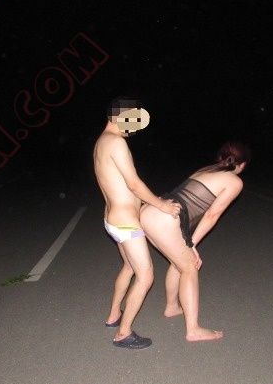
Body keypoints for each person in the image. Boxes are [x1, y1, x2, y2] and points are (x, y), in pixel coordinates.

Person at [93, 96, 181, 349]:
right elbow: (133, 183)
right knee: (146, 275)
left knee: (129, 268)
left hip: (113, 220)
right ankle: (123, 333)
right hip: (126, 224)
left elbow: (120, 185)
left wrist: (147, 202)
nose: (134, 128)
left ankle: (113, 315)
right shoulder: (116, 142)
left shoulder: (101, 142)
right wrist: (161, 205)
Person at [139, 141, 250, 342]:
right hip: (165, 218)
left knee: (178, 262)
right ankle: (193, 329)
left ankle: (172, 307)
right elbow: (212, 215)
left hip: (151, 211)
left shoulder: (206, 170)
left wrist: (189, 243)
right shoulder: (235, 182)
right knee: (189, 266)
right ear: (242, 165)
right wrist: (191, 244)